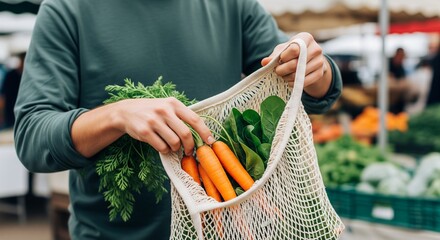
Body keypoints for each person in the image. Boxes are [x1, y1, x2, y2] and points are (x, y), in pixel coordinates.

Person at [14, 0, 342, 239]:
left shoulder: (232, 6)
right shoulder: (66, 10)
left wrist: (315, 68)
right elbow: (33, 136)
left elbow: (315, 88)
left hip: (227, 230)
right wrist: (117, 114)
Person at [0, 52, 26, 129]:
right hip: (10, 113)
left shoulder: (27, 76)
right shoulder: (11, 75)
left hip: (23, 113)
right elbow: (3, 96)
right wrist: (1, 114)